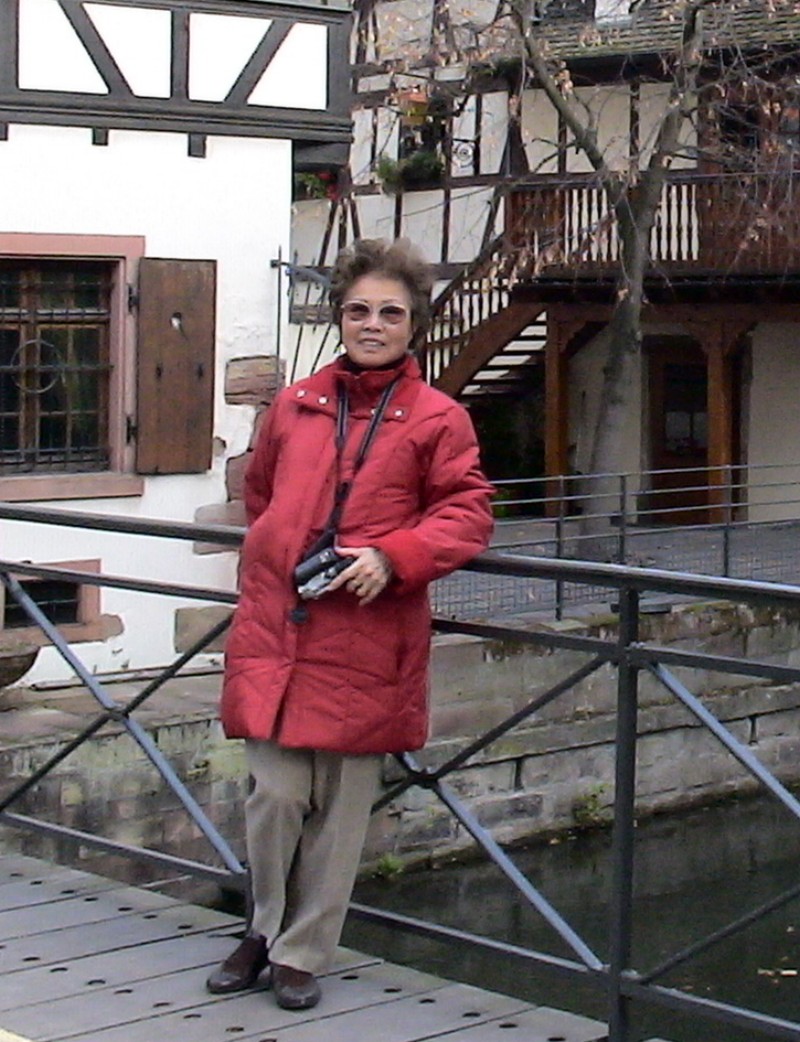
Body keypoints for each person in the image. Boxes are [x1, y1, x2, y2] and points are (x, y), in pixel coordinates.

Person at [206, 238, 493, 1010]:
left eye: (390, 313)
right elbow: (262, 496)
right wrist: (280, 552)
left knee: (338, 814)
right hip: (281, 628)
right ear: (339, 317)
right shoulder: (293, 405)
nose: (373, 324)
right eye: (359, 310)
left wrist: (396, 556)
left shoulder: (439, 419)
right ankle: (264, 928)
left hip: (367, 635)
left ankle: (300, 953)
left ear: (414, 325)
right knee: (274, 796)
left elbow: (468, 513)